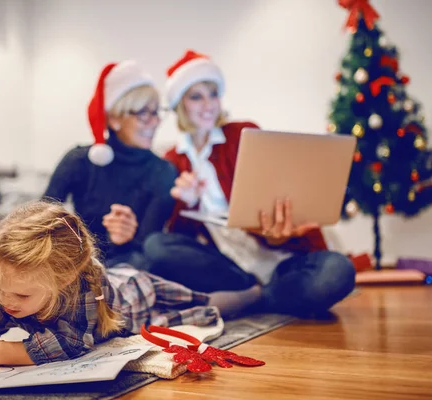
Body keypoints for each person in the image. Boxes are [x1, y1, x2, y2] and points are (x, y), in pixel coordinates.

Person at [0, 200, 265, 387]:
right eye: (1, 292)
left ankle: (255, 291)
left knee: (205, 304)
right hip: (121, 285)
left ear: (65, 277)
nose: (7, 304)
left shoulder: (84, 290)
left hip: (139, 294)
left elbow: (72, 344)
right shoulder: (14, 290)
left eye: (21, 298)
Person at [144, 50, 356, 317]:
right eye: (196, 96)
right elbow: (181, 239)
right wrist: (186, 203)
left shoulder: (241, 134)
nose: (208, 104)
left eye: (213, 94)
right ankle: (265, 295)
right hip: (228, 268)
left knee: (339, 271)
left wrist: (278, 232)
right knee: (156, 246)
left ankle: (255, 299)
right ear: (179, 104)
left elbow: (274, 191)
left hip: (279, 257)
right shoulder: (173, 160)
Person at [43, 60, 176, 269]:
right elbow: (41, 216)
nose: (155, 121)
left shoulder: (164, 172)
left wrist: (126, 237)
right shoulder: (80, 161)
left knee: (148, 257)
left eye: (156, 111)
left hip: (130, 264)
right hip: (78, 258)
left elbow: (148, 245)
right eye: (143, 113)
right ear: (114, 119)